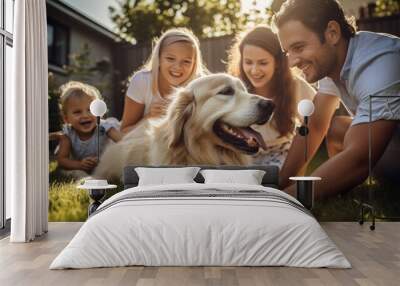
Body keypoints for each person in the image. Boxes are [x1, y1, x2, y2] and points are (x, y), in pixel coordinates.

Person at [272, 0, 400, 198]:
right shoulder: (334, 62)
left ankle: (334, 185)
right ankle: (342, 190)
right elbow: (314, 127)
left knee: (355, 143)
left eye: (299, 47)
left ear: (332, 32)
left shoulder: (380, 65)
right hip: (390, 151)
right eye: (288, 52)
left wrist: (285, 199)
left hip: (385, 156)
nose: (291, 62)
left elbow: (359, 158)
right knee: (338, 127)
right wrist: (281, 183)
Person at [227, 25, 316, 168]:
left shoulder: (294, 87)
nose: (254, 70)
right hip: (243, 155)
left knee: (272, 181)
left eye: (263, 63)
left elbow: (317, 123)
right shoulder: (234, 88)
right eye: (248, 62)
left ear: (277, 63)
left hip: (280, 154)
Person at [120, 28, 206, 134]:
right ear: (159, 58)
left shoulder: (200, 86)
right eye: (170, 59)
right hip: (145, 145)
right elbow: (124, 132)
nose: (177, 67)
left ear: (194, 64)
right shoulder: (142, 81)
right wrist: (148, 118)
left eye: (186, 61)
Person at [57, 81, 123, 178]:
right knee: (72, 173)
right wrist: (80, 164)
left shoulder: (105, 127)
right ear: (66, 118)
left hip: (104, 164)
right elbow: (62, 160)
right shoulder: (68, 134)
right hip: (81, 165)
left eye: (90, 110)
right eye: (77, 112)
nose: (85, 115)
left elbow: (124, 142)